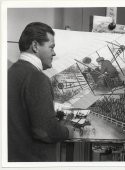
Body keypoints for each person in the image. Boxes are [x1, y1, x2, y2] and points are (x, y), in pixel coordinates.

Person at [8, 22, 75, 162]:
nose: (54, 53)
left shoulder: (10, 73)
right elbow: (46, 131)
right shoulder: (37, 78)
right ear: (35, 46)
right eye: (51, 47)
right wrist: (68, 131)